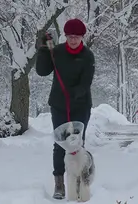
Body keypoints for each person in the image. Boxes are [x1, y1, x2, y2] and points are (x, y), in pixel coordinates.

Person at [35, 18, 95, 199]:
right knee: (60, 144)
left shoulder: (87, 56)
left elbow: (86, 82)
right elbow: (42, 71)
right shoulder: (57, 51)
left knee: (77, 144)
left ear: (82, 37)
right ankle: (59, 182)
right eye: (70, 36)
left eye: (77, 36)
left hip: (80, 105)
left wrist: (76, 92)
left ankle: (80, 181)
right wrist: (44, 51)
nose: (73, 40)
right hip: (59, 105)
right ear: (65, 36)